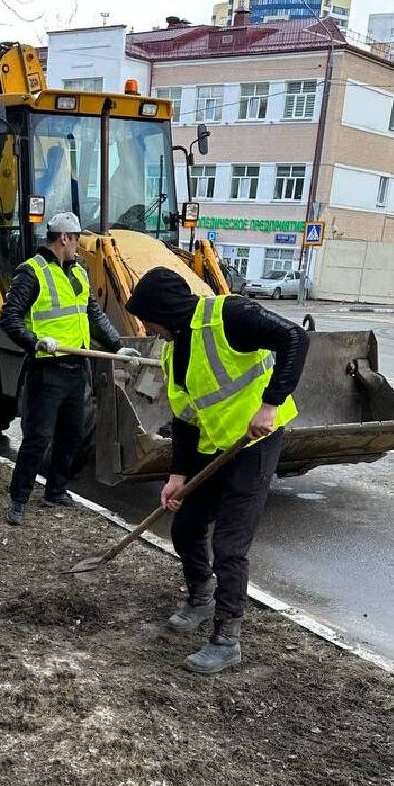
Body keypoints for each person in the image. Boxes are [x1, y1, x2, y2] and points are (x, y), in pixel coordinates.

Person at [124, 267, 309, 674]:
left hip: (255, 443)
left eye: (149, 320)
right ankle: (201, 596)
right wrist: (177, 476)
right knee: (186, 527)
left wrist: (270, 403)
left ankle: (227, 639)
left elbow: (295, 337)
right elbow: (186, 418)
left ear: (164, 312)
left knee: (229, 545)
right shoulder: (174, 350)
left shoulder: (229, 315)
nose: (148, 329)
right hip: (213, 447)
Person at [0, 212, 139, 525]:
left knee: (72, 435)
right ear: (65, 238)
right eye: (77, 239)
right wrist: (35, 341)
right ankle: (18, 499)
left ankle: (56, 490)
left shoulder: (79, 272)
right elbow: (10, 318)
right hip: (46, 370)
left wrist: (118, 346)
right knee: (37, 438)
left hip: (78, 367)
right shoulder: (31, 273)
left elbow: (93, 315)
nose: (79, 245)